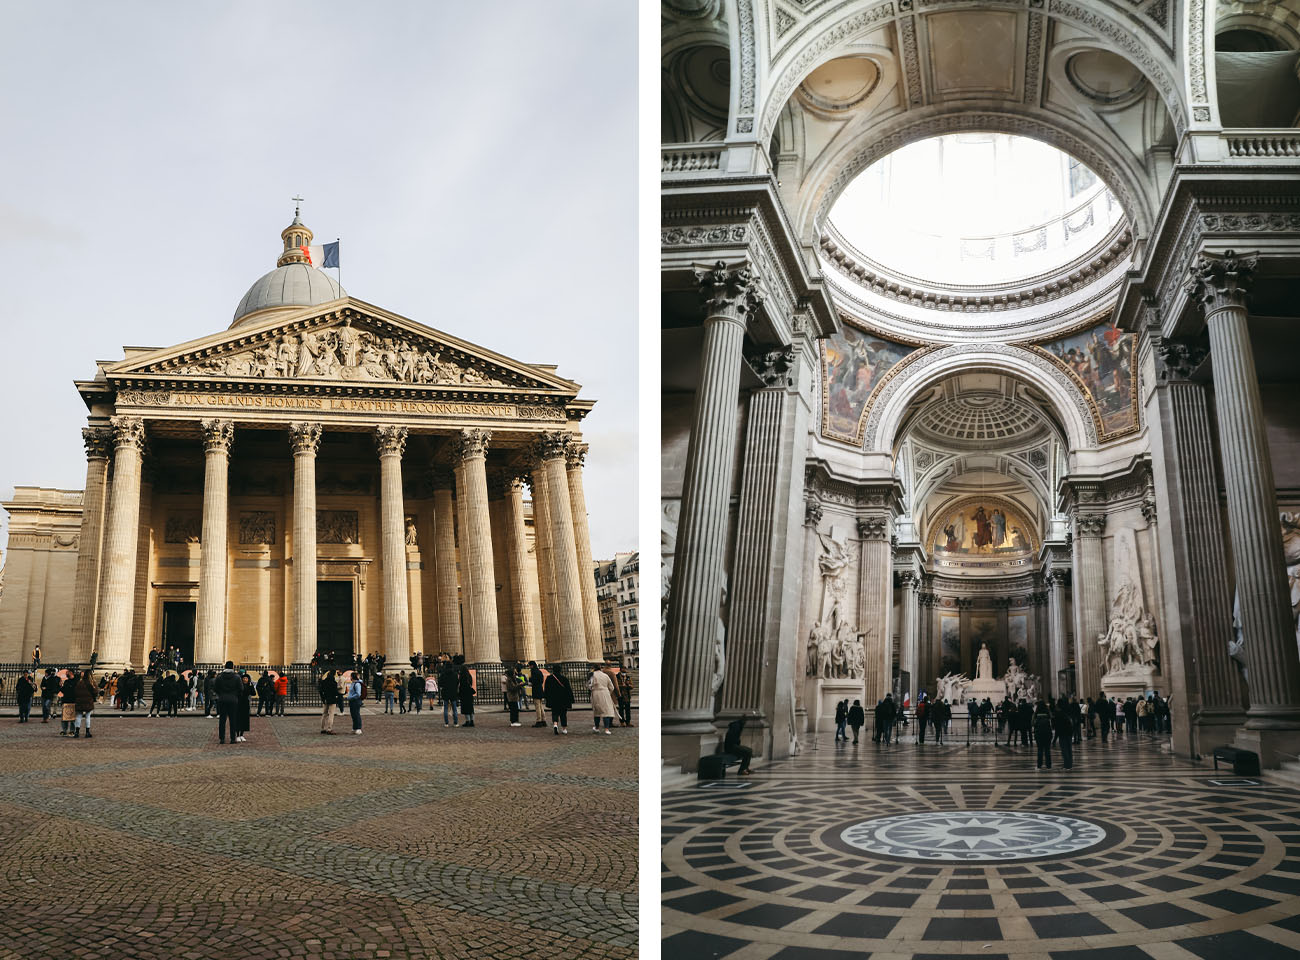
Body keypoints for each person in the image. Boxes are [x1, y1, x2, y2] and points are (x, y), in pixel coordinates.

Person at [213, 661, 241, 745]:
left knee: (222, 720)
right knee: (233, 720)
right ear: (232, 667)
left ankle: (222, 738)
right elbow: (241, 688)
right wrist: (235, 695)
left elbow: (215, 688)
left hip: (222, 699)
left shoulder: (219, 677)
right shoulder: (237, 677)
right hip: (233, 700)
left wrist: (221, 694)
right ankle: (233, 738)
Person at [544, 667, 574, 735]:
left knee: (555, 713)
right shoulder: (564, 678)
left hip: (554, 699)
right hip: (563, 699)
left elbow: (546, 689)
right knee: (563, 714)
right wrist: (571, 699)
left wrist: (546, 697)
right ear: (560, 671)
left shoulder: (549, 678)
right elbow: (568, 690)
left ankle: (555, 725)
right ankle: (564, 729)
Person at [589, 667, 617, 735]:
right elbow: (612, 687)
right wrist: (607, 692)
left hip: (596, 693)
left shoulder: (592, 675)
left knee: (597, 712)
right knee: (606, 711)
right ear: (600, 669)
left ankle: (597, 728)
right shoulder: (605, 675)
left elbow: (589, 685)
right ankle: (607, 729)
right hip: (605, 693)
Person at [74, 670, 96, 739]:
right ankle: (87, 732)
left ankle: (77, 732)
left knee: (78, 716)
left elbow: (75, 691)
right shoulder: (91, 683)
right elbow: (95, 693)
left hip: (79, 701)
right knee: (87, 716)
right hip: (88, 701)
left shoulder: (79, 682)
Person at [439, 658, 460, 727]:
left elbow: (440, 683)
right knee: (454, 708)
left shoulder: (443, 674)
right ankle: (456, 722)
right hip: (453, 692)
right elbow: (457, 683)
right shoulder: (455, 674)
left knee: (445, 708)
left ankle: (446, 723)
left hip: (445, 692)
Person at [1053, 701, 1074, 770]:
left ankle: (1066, 765)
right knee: (1069, 749)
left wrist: (1055, 738)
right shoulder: (1066, 713)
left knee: (1064, 750)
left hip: (1062, 734)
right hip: (1068, 733)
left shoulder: (1058, 714)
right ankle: (1070, 764)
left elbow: (1056, 727)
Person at [457, 656, 476, 728]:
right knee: (471, 708)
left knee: (465, 708)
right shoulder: (469, 676)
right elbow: (471, 684)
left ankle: (467, 721)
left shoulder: (462, 678)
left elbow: (460, 686)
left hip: (464, 694)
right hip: (469, 694)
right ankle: (472, 721)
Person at [1034, 701, 1053, 769]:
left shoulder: (1036, 714)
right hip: (1047, 733)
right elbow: (1052, 719)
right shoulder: (1047, 713)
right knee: (1047, 750)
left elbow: (1032, 723)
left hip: (1039, 733)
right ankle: (1048, 765)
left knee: (1040, 750)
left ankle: (1039, 764)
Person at [319, 670, 339, 734]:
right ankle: (329, 728)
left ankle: (322, 728)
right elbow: (336, 692)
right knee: (331, 714)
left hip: (325, 699)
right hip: (332, 700)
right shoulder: (334, 683)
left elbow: (320, 691)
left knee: (324, 714)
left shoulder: (324, 682)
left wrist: (323, 698)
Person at [60, 670, 79, 736]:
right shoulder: (66, 681)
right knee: (64, 717)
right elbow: (64, 691)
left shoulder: (76, 681)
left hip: (73, 700)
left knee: (72, 717)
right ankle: (64, 730)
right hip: (66, 700)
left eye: (67, 673)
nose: (66, 674)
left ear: (71, 673)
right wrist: (61, 686)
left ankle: (72, 730)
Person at [236, 673, 253, 742]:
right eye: (244, 678)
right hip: (239, 704)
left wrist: (251, 686)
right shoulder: (239, 686)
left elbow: (253, 693)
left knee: (244, 720)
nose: (245, 679)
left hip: (245, 704)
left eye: (246, 678)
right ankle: (237, 735)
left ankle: (241, 734)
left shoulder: (249, 686)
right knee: (238, 719)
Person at [529, 661, 547, 727]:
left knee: (537, 706)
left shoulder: (533, 672)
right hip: (540, 689)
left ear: (532, 666)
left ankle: (538, 721)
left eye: (529, 665)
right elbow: (541, 680)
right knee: (540, 706)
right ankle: (544, 720)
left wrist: (530, 679)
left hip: (536, 690)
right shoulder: (539, 671)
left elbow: (533, 680)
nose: (529, 667)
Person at [346, 671, 364, 735]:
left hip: (355, 700)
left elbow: (358, 694)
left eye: (350, 676)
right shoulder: (353, 683)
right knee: (353, 714)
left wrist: (351, 697)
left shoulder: (357, 684)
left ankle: (358, 728)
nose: (350, 677)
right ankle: (354, 728)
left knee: (356, 714)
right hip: (352, 700)